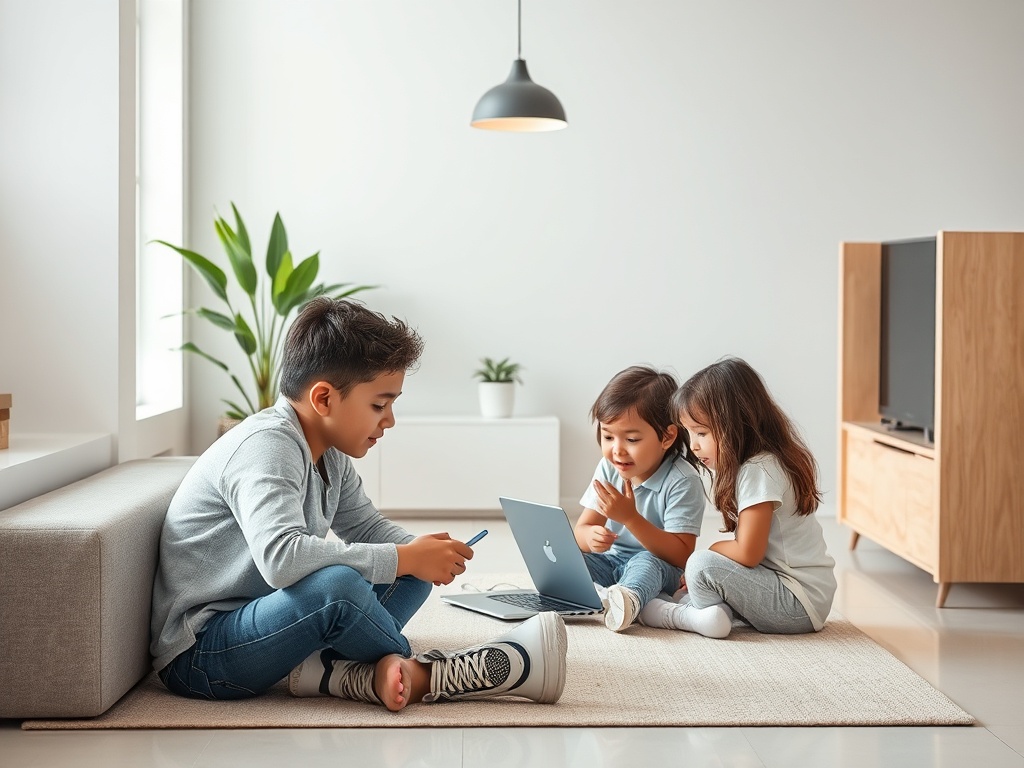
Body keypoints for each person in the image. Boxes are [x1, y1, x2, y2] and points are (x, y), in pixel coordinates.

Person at [150, 297, 567, 711]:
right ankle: (430, 674)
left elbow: (367, 528)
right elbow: (281, 559)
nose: (389, 420)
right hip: (202, 653)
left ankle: (336, 672)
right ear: (324, 399)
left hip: (269, 621)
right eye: (379, 405)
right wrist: (403, 556)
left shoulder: (328, 451)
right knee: (339, 589)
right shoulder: (266, 447)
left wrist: (420, 552)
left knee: (410, 570)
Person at [639, 357, 837, 638]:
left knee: (700, 564)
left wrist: (711, 552)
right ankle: (704, 610)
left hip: (796, 604)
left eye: (701, 433)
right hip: (799, 597)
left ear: (735, 424)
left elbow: (747, 553)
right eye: (689, 433)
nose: (693, 445)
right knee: (700, 571)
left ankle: (690, 615)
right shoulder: (763, 464)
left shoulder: (760, 470)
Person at [573, 365, 706, 632]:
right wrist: (591, 537)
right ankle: (606, 597)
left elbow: (681, 555)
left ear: (667, 437)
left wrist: (630, 518)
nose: (617, 450)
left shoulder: (682, 480)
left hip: (659, 567)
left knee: (646, 563)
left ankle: (628, 600)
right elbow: (581, 530)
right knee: (571, 563)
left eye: (632, 439)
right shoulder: (609, 468)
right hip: (612, 561)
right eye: (608, 436)